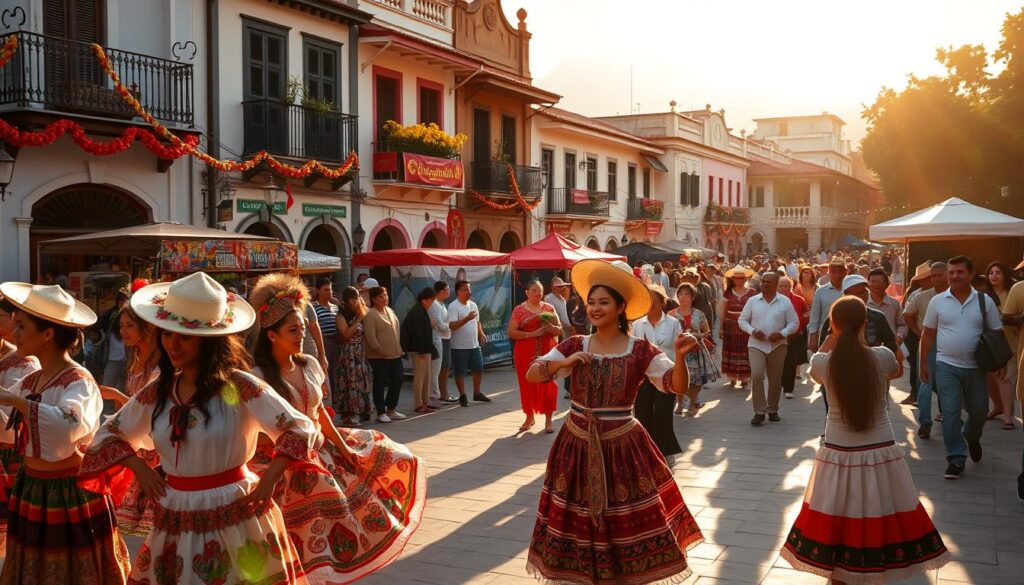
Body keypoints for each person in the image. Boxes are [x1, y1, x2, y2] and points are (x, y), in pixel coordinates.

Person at [78, 272, 317, 584]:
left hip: (237, 514)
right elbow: (108, 434)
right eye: (167, 334)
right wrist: (138, 466)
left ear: (209, 339)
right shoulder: (159, 391)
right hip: (175, 512)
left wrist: (269, 479)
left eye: (185, 336)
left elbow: (300, 429)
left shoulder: (240, 385)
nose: (172, 344)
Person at [524, 259, 703, 584]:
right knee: (575, 520)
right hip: (575, 444)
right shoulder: (575, 344)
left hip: (623, 447)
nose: (594, 308)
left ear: (621, 307)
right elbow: (531, 372)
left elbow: (674, 386)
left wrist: (679, 357)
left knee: (624, 521)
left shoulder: (640, 350)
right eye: (591, 302)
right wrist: (564, 362)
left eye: (603, 302)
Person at [247, 273, 426, 581]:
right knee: (285, 546)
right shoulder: (255, 374)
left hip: (319, 457)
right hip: (276, 467)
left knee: (327, 541)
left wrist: (344, 450)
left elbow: (320, 415)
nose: (301, 334)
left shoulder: (309, 365)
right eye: (293, 330)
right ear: (271, 335)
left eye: (302, 327)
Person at [781, 296, 949, 583]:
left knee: (837, 509)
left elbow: (813, 369)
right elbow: (896, 370)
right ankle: (875, 568)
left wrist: (832, 338)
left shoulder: (824, 362)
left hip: (838, 447)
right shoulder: (881, 356)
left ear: (833, 324)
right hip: (879, 445)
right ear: (865, 323)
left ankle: (838, 571)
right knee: (879, 506)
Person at [0, 282, 129, 582]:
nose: (13, 333)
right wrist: (14, 401)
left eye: (21, 326)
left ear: (47, 334)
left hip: (70, 491)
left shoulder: (78, 381)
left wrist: (17, 402)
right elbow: (8, 432)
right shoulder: (32, 381)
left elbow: (66, 425)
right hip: (32, 486)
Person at [921, 256, 1006, 480]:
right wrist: (923, 364)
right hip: (945, 365)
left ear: (970, 274)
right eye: (951, 272)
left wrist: (1001, 364)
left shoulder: (983, 301)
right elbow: (927, 334)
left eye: (959, 272)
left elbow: (996, 333)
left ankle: (971, 435)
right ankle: (956, 457)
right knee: (950, 412)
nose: (954, 276)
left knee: (978, 412)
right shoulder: (937, 301)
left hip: (976, 368)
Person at [739, 271, 799, 425]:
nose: (764, 284)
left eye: (768, 282)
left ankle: (772, 409)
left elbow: (794, 323)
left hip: (777, 346)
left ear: (776, 285)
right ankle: (759, 411)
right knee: (757, 375)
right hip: (756, 344)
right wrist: (753, 331)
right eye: (763, 281)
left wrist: (782, 333)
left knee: (775, 379)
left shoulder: (784, 302)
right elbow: (742, 320)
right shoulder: (753, 301)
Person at [634, 285, 684, 456]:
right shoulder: (637, 324)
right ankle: (646, 449)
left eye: (654, 302)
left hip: (667, 374)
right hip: (643, 374)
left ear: (662, 303)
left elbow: (679, 348)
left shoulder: (673, 323)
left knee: (663, 413)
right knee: (642, 412)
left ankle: (666, 450)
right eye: (647, 301)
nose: (651, 305)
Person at [507, 281, 561, 433]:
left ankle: (549, 420)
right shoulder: (519, 310)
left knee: (549, 383)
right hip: (525, 351)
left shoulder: (549, 308)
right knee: (527, 384)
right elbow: (511, 332)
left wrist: (552, 328)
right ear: (527, 292)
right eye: (534, 290)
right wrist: (531, 334)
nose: (538, 293)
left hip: (547, 351)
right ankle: (529, 416)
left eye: (540, 290)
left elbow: (559, 330)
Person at [906, 262, 950, 436]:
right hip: (928, 343)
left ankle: (949, 415)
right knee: (924, 383)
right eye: (933, 276)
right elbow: (907, 314)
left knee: (948, 382)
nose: (936, 278)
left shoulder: (957, 295)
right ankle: (925, 422)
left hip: (951, 345)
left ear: (948, 275)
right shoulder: (921, 296)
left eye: (940, 275)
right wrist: (918, 333)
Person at [668, 283, 719, 417]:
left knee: (696, 379)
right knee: (677, 377)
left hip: (695, 350)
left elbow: (706, 332)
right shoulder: (671, 314)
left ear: (692, 297)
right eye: (680, 294)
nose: (683, 297)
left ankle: (692, 402)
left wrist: (696, 335)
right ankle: (679, 402)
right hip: (679, 351)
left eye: (686, 294)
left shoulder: (699, 314)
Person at [364, 286, 406, 423]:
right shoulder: (371, 314)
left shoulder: (390, 310)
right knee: (380, 383)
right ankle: (381, 412)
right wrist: (380, 349)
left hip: (395, 354)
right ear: (374, 299)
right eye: (381, 296)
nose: (385, 298)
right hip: (379, 357)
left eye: (386, 295)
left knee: (398, 379)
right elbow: (370, 336)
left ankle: (391, 408)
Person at [334, 286, 372, 426]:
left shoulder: (358, 312)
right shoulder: (341, 315)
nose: (357, 301)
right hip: (348, 354)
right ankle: (349, 413)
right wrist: (358, 320)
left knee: (360, 381)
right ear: (347, 300)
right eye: (354, 298)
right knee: (350, 382)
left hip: (359, 354)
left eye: (357, 298)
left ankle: (362, 410)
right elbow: (345, 335)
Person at [448, 280, 490, 407]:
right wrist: (466, 318)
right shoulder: (453, 306)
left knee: (478, 369)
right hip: (459, 346)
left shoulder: (473, 305)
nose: (469, 292)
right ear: (459, 291)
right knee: (460, 372)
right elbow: (452, 326)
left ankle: (477, 393)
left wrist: (481, 334)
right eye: (466, 289)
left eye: (469, 289)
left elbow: (477, 322)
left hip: (474, 345)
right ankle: (463, 395)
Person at [985, 261, 1016, 428]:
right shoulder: (985, 295)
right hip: (992, 342)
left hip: (1011, 341)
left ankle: (1009, 416)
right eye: (991, 272)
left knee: (1006, 378)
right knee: (991, 378)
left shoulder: (1014, 292)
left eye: (998, 272)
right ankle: (998, 406)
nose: (994, 275)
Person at [900, 261, 935, 406]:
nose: (924, 282)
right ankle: (916, 394)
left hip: (941, 336)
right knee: (917, 366)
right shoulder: (916, 294)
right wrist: (916, 332)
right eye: (921, 280)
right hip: (919, 336)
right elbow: (906, 314)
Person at [401, 287, 440, 414]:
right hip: (420, 349)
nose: (433, 302)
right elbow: (417, 332)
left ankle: (425, 402)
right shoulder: (418, 311)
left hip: (424, 348)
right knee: (420, 377)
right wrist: (421, 350)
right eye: (432, 300)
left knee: (426, 377)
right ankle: (419, 404)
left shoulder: (421, 310)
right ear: (425, 299)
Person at [720, 265, 757, 387]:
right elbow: (723, 312)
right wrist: (721, 328)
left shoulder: (752, 293)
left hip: (746, 327)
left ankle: (745, 377)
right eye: (736, 278)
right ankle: (732, 376)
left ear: (746, 279)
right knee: (731, 351)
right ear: (732, 279)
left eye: (741, 278)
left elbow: (755, 311)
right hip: (731, 326)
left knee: (745, 351)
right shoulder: (727, 293)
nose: (738, 280)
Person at [778, 276, 809, 399]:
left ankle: (788, 388)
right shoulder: (773, 300)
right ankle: (779, 384)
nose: (783, 288)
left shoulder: (799, 300)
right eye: (780, 286)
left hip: (795, 336)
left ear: (791, 287)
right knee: (779, 362)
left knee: (791, 362)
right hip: (777, 336)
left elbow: (806, 316)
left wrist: (794, 328)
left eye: (786, 286)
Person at [808, 258, 847, 352]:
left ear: (846, 272)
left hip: (849, 337)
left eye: (840, 272)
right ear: (829, 272)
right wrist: (813, 338)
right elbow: (814, 318)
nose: (837, 275)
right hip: (825, 337)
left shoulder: (852, 290)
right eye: (833, 272)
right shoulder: (821, 291)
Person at [312, 278, 340, 399]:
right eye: (326, 290)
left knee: (336, 373)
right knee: (324, 372)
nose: (329, 293)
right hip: (323, 342)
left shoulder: (335, 307)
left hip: (336, 342)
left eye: (330, 290)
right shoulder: (314, 307)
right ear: (318, 291)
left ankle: (335, 399)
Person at [428, 281, 456, 403]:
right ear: (439, 291)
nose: (448, 291)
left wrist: (447, 325)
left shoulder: (442, 305)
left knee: (445, 366)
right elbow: (439, 325)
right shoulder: (434, 305)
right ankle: (440, 394)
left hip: (445, 338)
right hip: (439, 340)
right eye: (446, 289)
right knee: (441, 368)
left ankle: (441, 392)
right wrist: (450, 325)